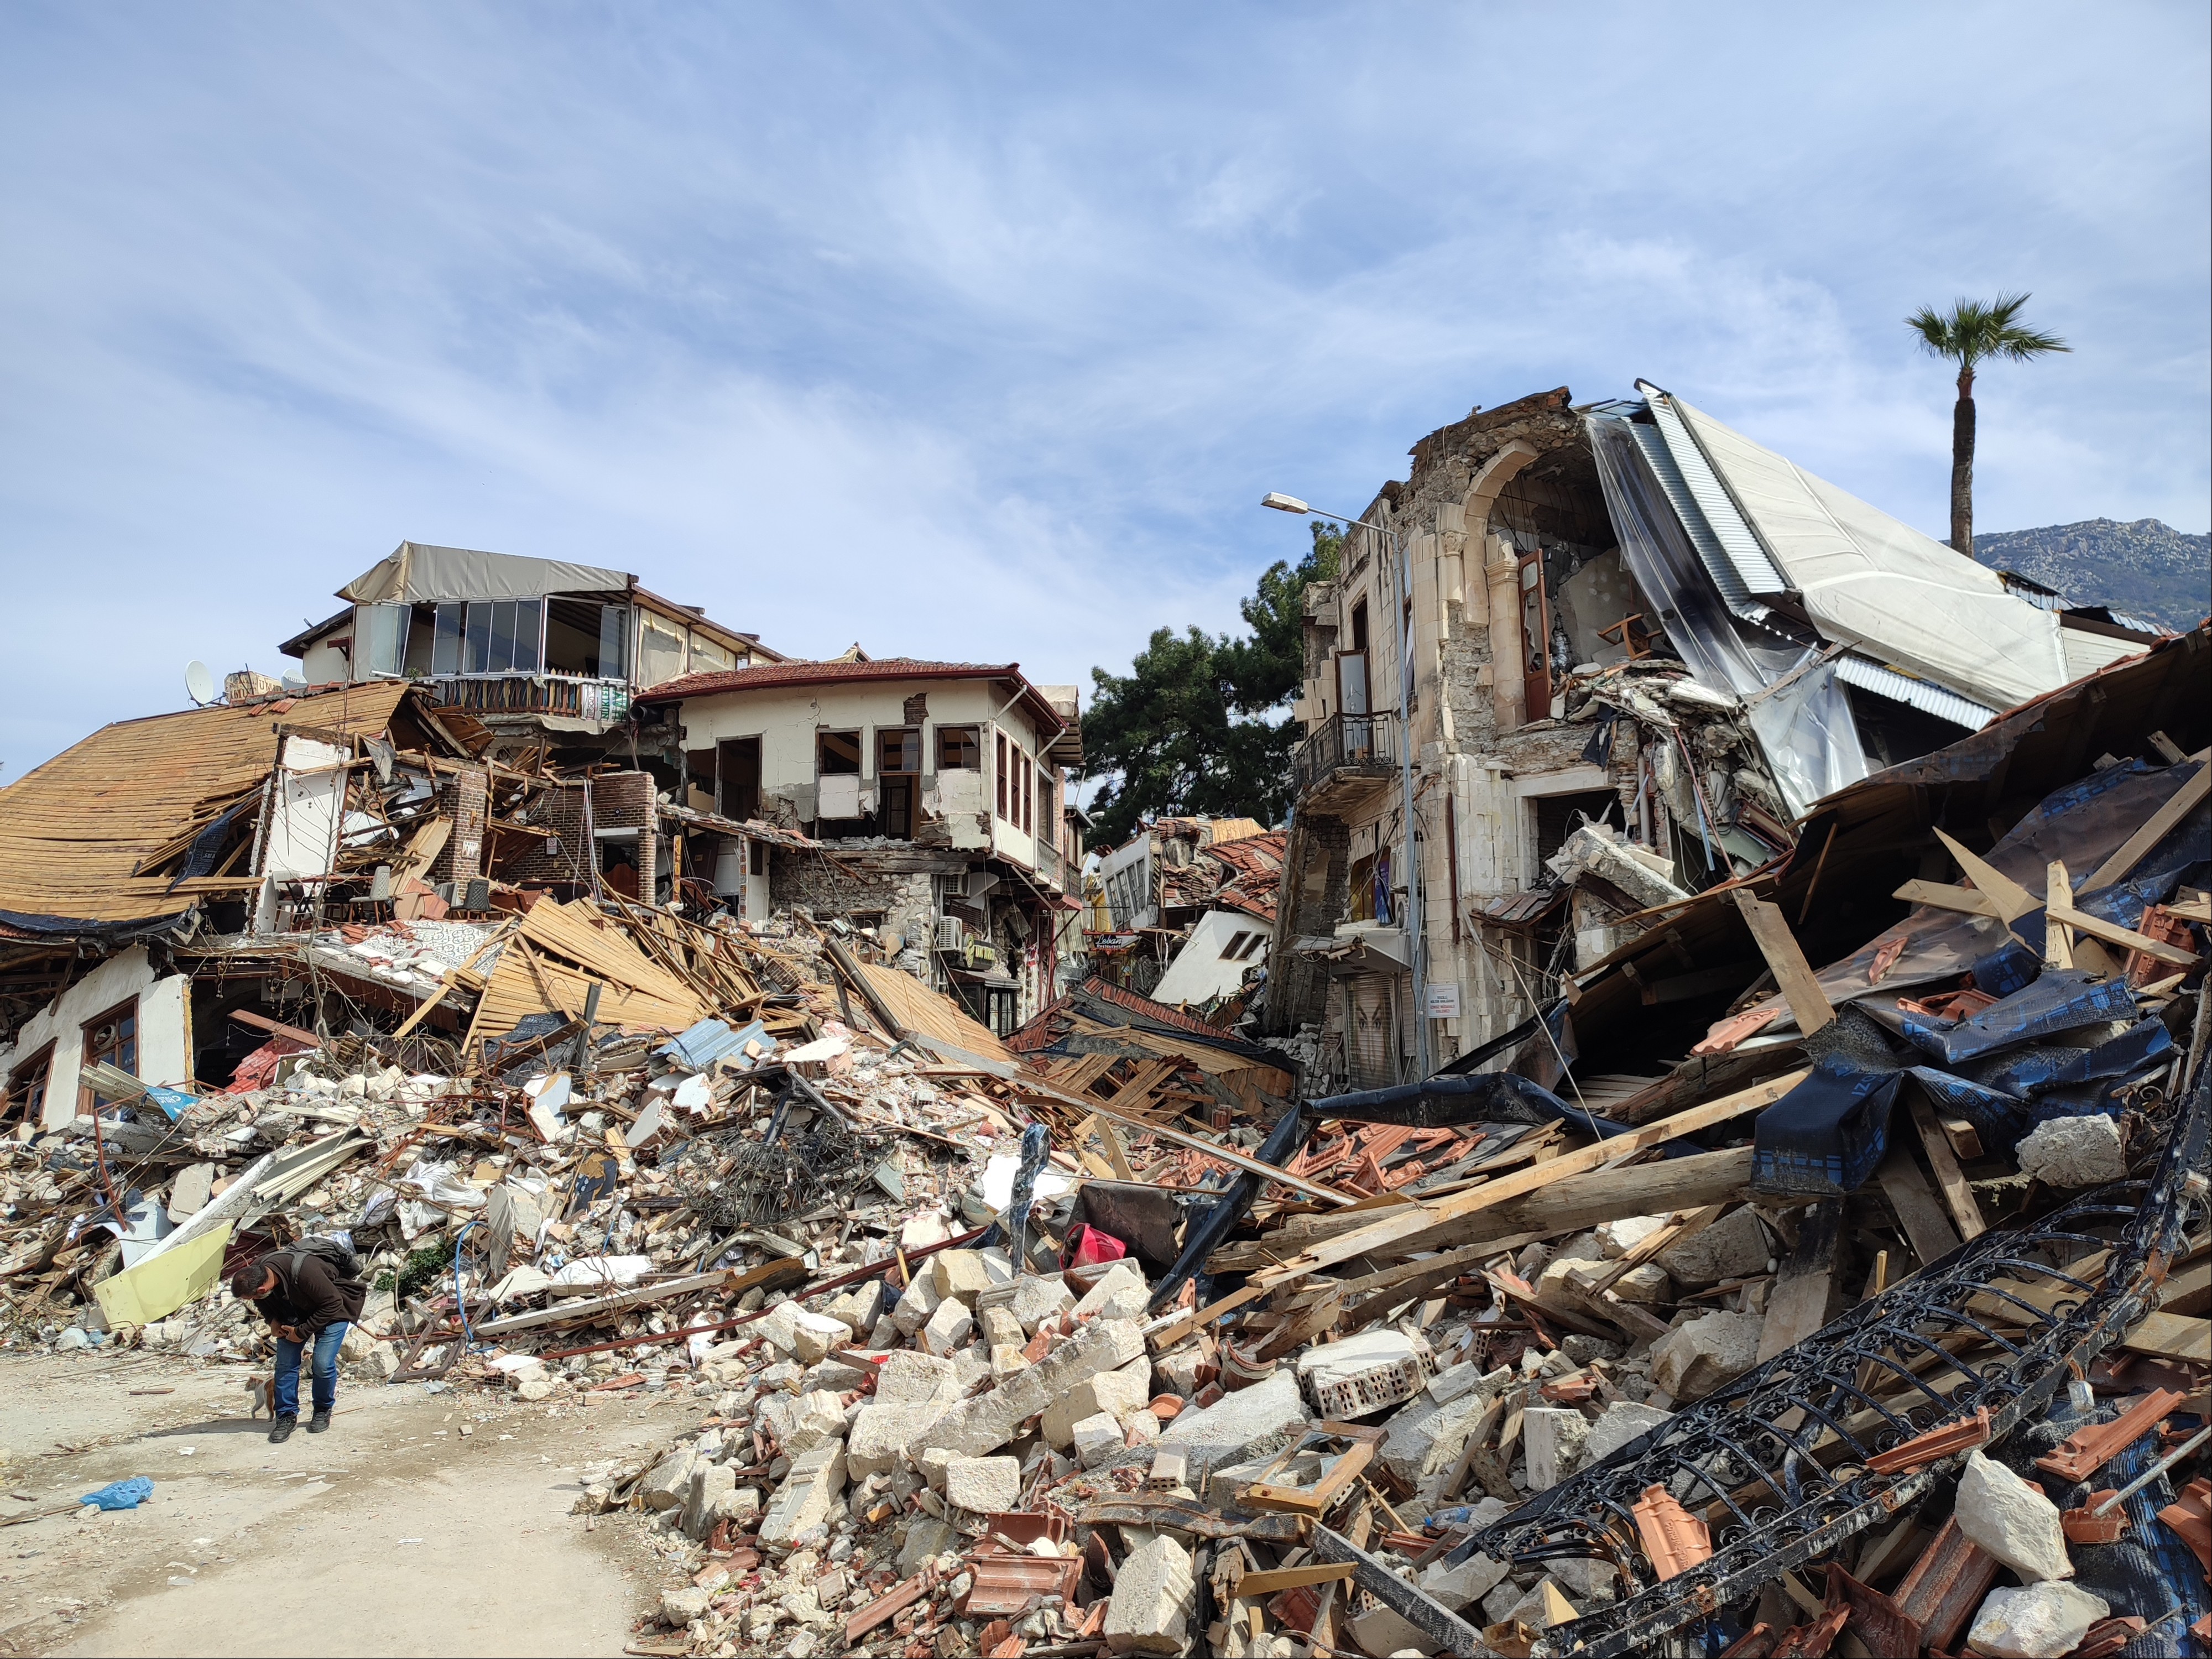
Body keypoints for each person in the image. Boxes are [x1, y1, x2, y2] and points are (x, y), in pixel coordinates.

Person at [229, 1246, 366, 1443]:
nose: (253, 1301)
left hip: (332, 1312)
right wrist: (273, 1322)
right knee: (285, 1365)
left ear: (262, 1290)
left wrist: (301, 1332)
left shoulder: (305, 1271)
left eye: (253, 1297)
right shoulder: (258, 1271)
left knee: (322, 1363)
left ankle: (322, 1409)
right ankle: (286, 1416)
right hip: (292, 1314)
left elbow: (333, 1303)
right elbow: (262, 1304)